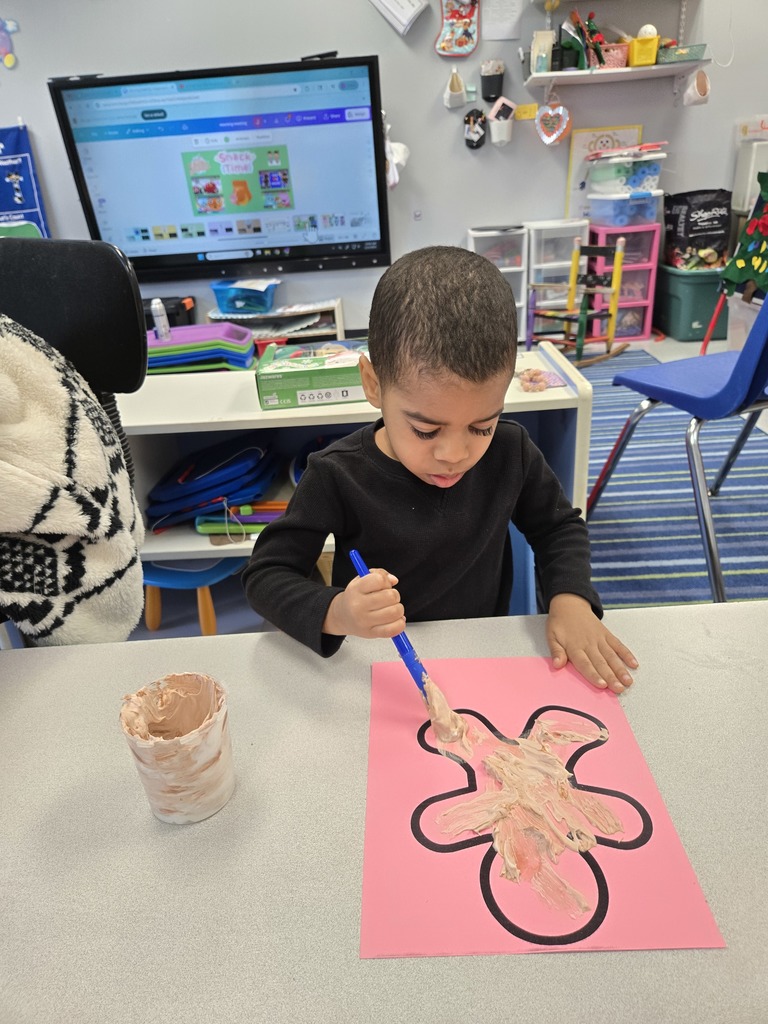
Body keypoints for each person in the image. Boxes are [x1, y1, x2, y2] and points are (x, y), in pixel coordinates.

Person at [242, 246, 637, 694]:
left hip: (482, 654)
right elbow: (264, 576)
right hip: (379, 667)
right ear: (373, 384)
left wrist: (570, 600)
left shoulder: (512, 451)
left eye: (482, 426)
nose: (455, 453)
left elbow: (558, 528)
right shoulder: (337, 475)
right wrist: (339, 612)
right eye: (426, 431)